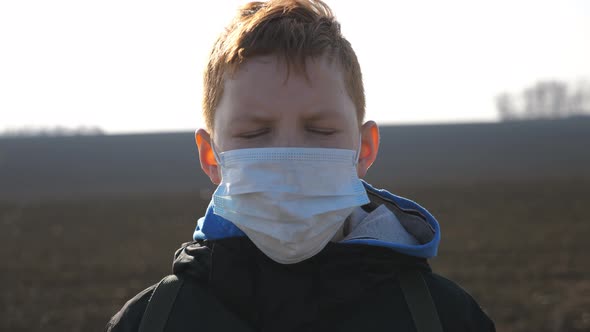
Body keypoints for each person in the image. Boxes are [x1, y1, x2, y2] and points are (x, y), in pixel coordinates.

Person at [106, 0, 495, 331]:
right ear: (211, 156)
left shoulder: (443, 318)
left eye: (320, 130)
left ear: (364, 148)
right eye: (255, 134)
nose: (288, 156)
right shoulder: (154, 321)